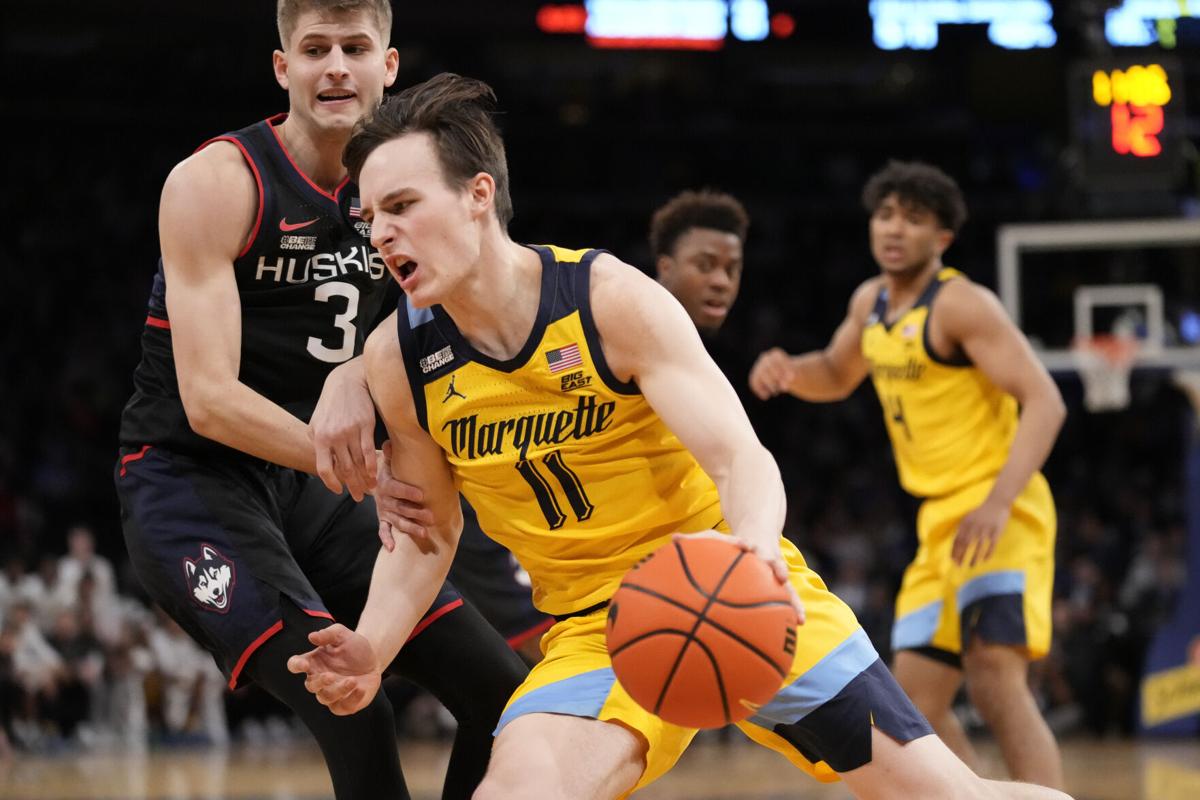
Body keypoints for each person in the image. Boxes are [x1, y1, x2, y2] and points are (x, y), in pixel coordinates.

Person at [289, 74, 1072, 800]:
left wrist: (754, 558)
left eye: (401, 206)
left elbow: (741, 459)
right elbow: (426, 532)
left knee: (952, 796)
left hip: (730, 581)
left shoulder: (609, 301)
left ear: (477, 196)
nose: (380, 235)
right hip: (599, 633)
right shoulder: (400, 358)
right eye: (369, 218)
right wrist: (373, 644)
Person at [113, 5, 525, 798]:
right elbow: (207, 399)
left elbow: (431, 338)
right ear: (283, 68)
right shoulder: (218, 181)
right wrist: (367, 467)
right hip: (190, 482)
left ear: (389, 65)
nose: (335, 66)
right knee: (348, 703)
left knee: (506, 698)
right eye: (315, 50)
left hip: (316, 486)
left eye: (354, 48)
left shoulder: (400, 197)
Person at [749, 160, 1066, 789]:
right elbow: (836, 374)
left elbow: (1046, 400)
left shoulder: (961, 304)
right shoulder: (870, 302)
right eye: (887, 214)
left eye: (914, 220)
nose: (895, 229)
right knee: (916, 702)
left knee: (995, 676)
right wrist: (789, 371)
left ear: (942, 238)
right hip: (938, 523)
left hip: (1001, 508)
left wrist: (1000, 501)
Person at [378, 188, 751, 665]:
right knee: (546, 667)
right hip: (512, 525)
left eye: (732, 269)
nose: (720, 281)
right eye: (705, 264)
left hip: (619, 555)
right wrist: (346, 378)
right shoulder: (603, 304)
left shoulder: (672, 346)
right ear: (665, 267)